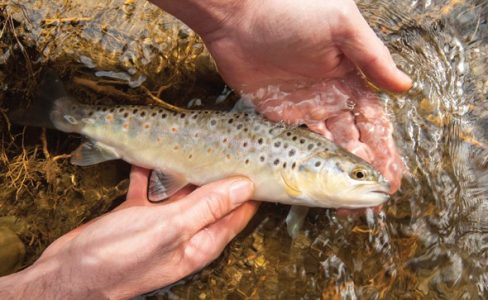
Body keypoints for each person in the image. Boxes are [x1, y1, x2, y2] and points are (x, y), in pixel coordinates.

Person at [0, 0, 412, 298]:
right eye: (358, 175)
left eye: (360, 175)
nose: (368, 181)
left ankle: (71, 117)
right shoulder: (300, 166)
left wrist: (244, 13)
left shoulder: (306, 165)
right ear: (310, 167)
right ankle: (68, 116)